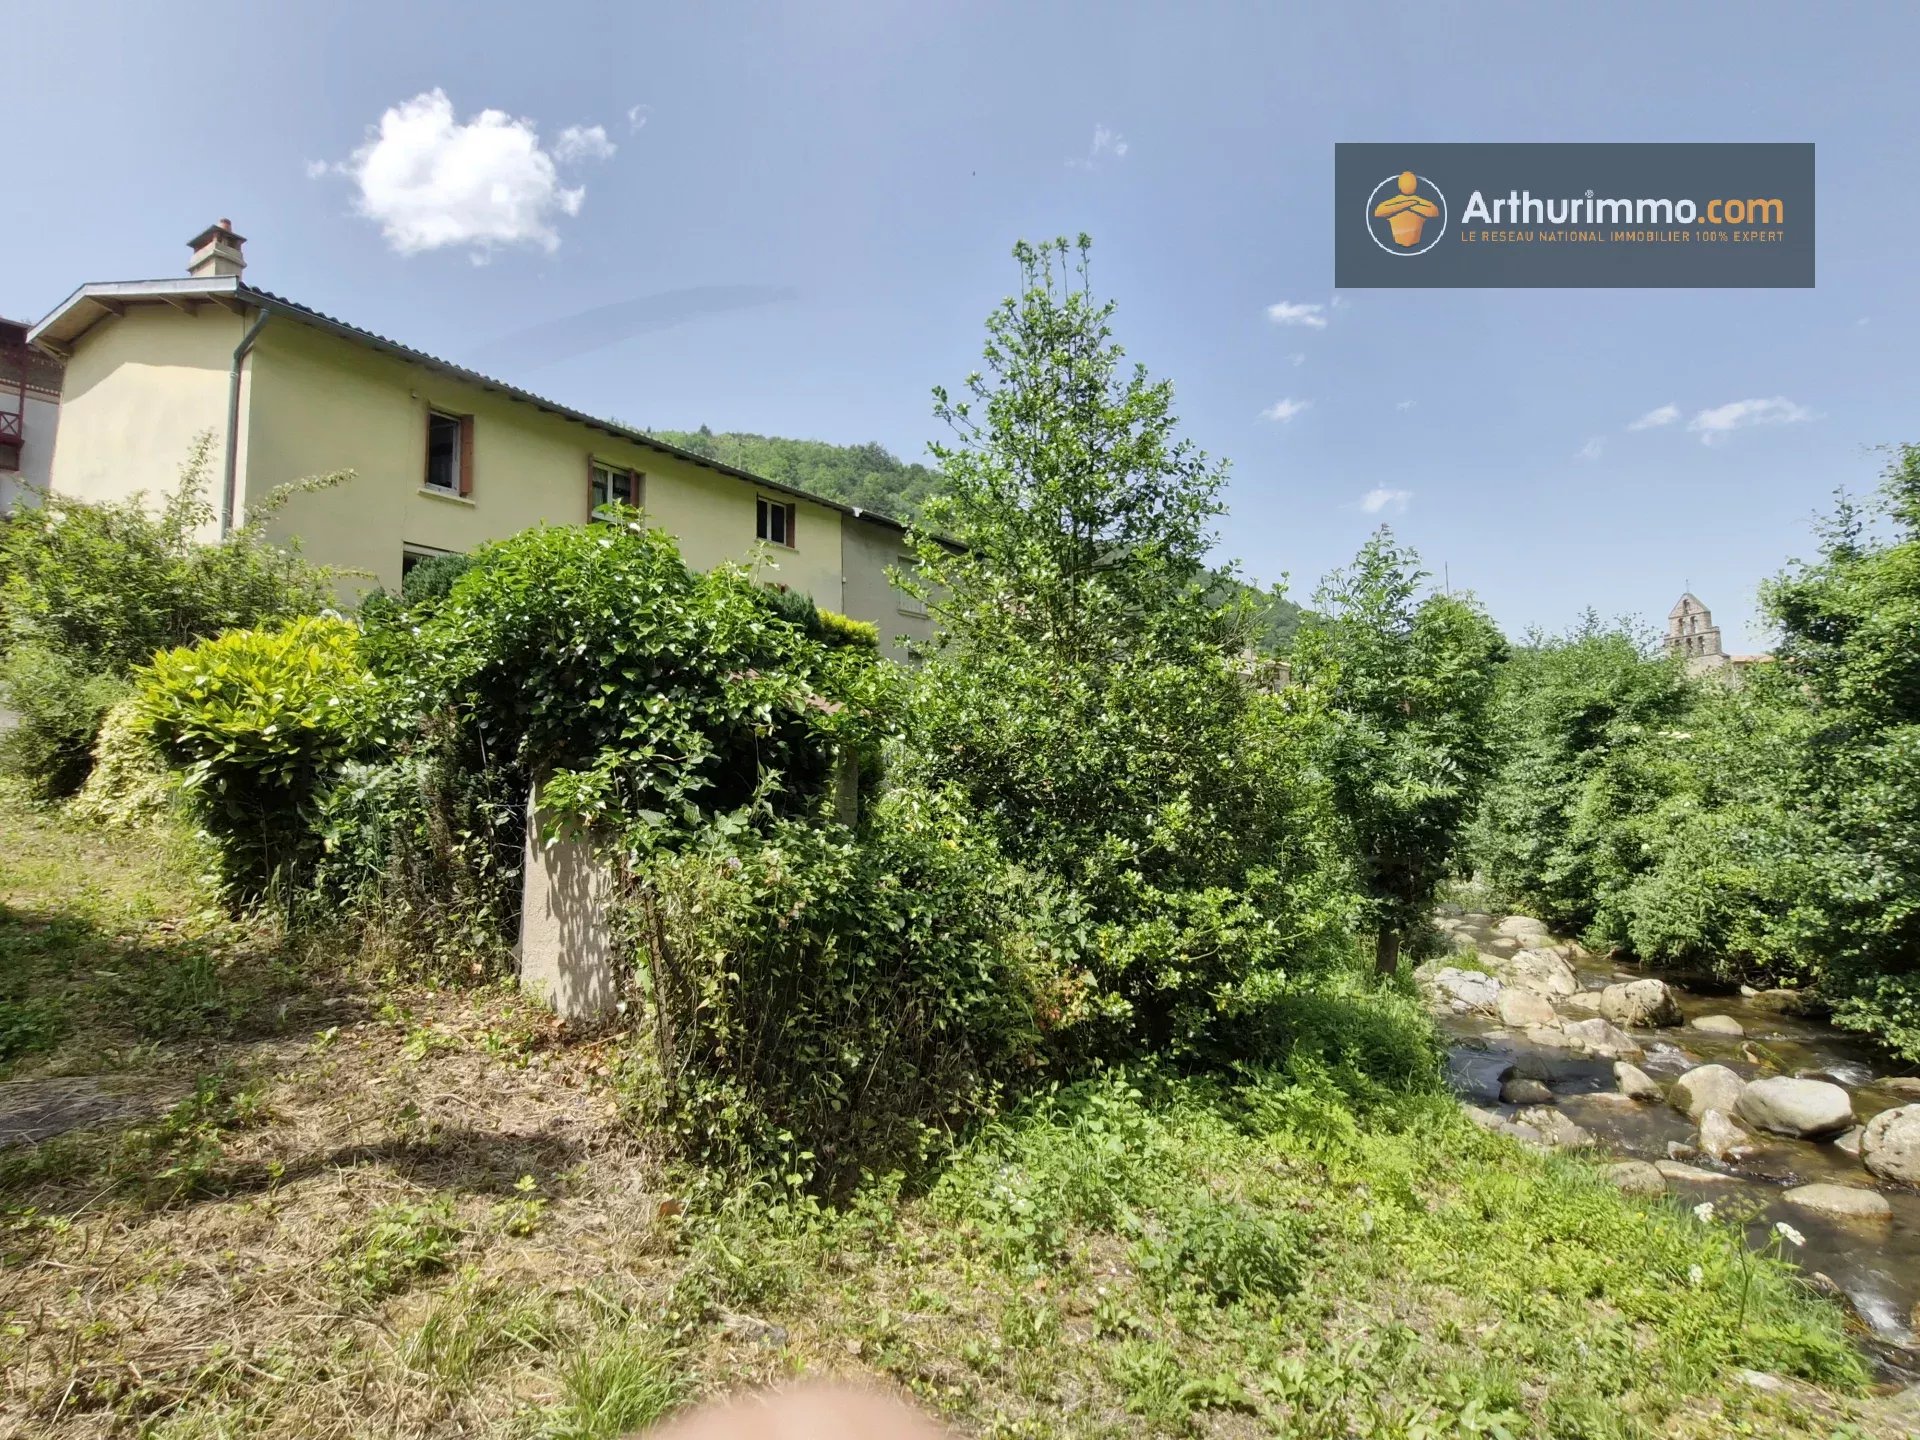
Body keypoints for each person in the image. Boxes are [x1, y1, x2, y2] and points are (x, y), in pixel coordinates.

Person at [1373, 171, 1440, 247]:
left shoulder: (1421, 201)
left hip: (1416, 242)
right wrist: (1410, 203)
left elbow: (1434, 212)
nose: (1408, 185)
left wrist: (1407, 205)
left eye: (1410, 182)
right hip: (1397, 241)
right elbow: (1378, 212)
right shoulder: (1395, 201)